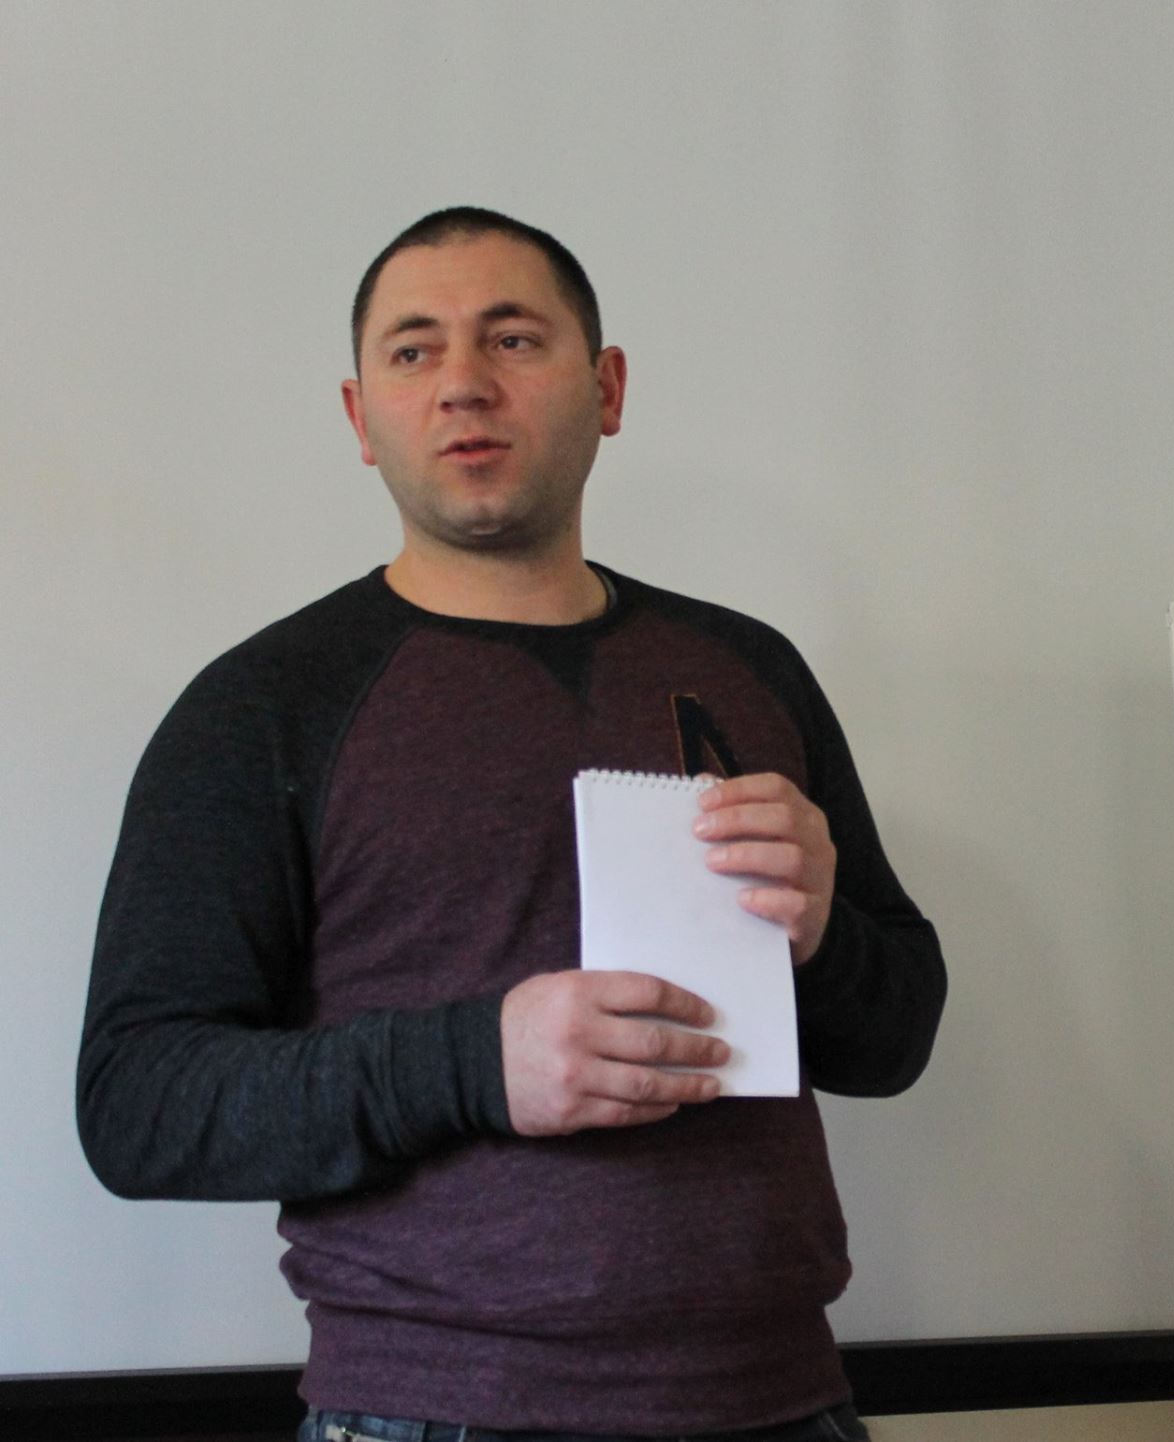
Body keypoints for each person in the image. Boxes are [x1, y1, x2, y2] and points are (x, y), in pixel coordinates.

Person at [76, 207, 946, 1442]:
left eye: (513, 338)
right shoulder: (262, 706)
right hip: (432, 1411)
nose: (463, 384)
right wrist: (476, 1062)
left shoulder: (750, 669)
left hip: (783, 1397)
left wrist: (823, 930)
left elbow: (895, 1036)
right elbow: (138, 1101)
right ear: (360, 417)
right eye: (413, 350)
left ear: (608, 388)